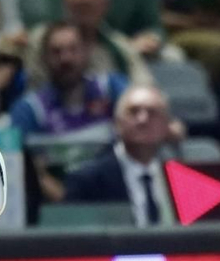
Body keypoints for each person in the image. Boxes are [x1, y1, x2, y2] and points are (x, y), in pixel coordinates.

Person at [59, 84, 178, 225]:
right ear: (117, 123)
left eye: (152, 112)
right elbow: (71, 240)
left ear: (166, 125)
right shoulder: (86, 181)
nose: (143, 119)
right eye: (133, 112)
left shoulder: (185, 179)